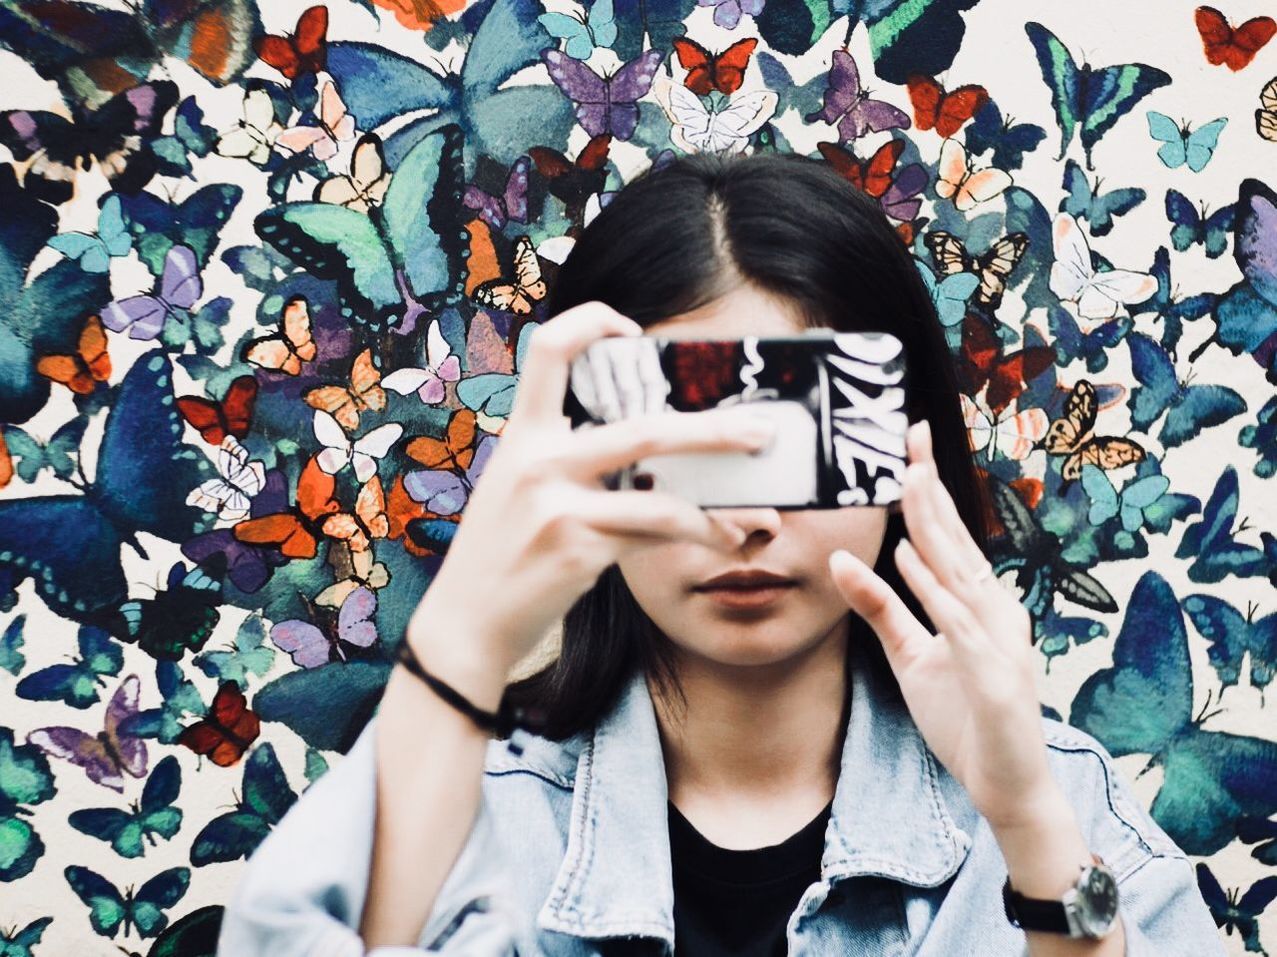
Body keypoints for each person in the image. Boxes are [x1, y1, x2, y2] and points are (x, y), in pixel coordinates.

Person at [216, 151, 1224, 956]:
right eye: (685, 450)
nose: (746, 519)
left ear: (898, 452)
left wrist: (1026, 829)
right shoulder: (472, 805)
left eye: (802, 444)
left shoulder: (1056, 795)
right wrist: (458, 651)